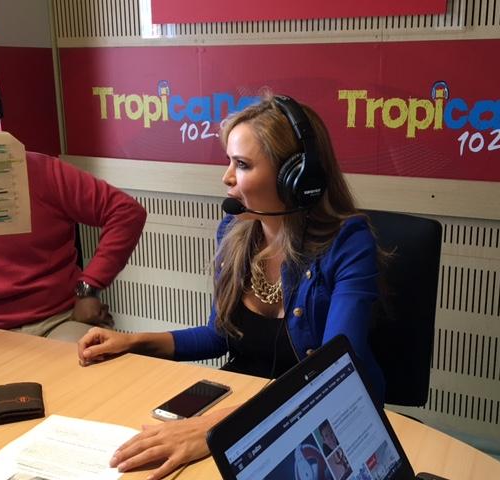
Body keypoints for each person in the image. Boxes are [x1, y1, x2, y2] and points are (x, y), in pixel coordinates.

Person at [77, 94, 386, 479]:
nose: (226, 177)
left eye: (241, 164)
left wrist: (216, 428)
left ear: (297, 179)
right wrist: (133, 341)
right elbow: (219, 335)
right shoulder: (235, 233)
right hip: (245, 406)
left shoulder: (349, 243)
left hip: (320, 419)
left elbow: (332, 377)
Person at [0, 60, 147, 341]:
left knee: (89, 364)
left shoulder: (39, 171)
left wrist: (89, 288)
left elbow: (126, 212)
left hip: (57, 319)